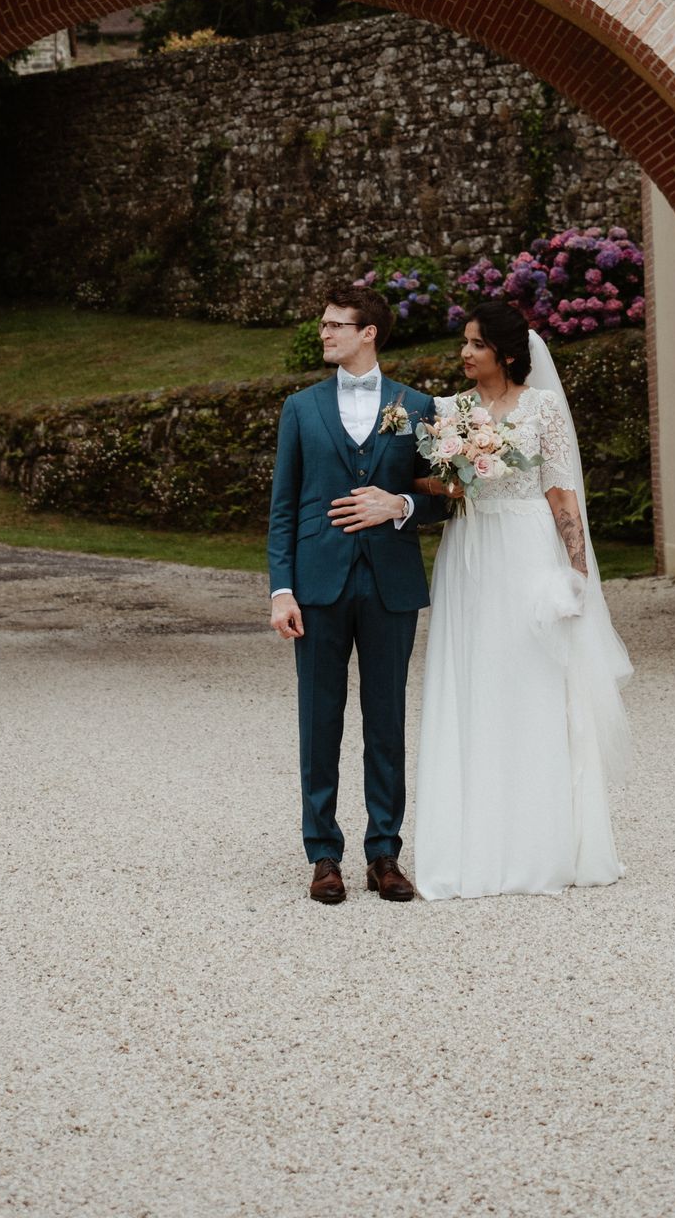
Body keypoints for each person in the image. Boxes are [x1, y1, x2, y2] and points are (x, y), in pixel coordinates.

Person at [411, 297, 634, 900]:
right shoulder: (450, 410)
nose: (464, 353)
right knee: (473, 680)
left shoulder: (542, 408)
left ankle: (543, 842)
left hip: (528, 549)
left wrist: (577, 577)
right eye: (464, 342)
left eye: (475, 344)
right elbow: (437, 483)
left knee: (534, 685)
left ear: (506, 353)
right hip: (470, 551)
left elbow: (563, 497)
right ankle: (471, 843)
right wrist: (452, 472)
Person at [267, 283, 437, 904]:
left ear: (369, 332)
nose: (325, 334)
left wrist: (400, 504)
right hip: (316, 586)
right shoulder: (301, 407)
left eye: (337, 325)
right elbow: (283, 507)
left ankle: (384, 853)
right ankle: (323, 855)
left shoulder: (418, 405)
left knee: (386, 720)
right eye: (323, 326)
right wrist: (281, 590)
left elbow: (447, 497)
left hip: (391, 584)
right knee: (319, 719)